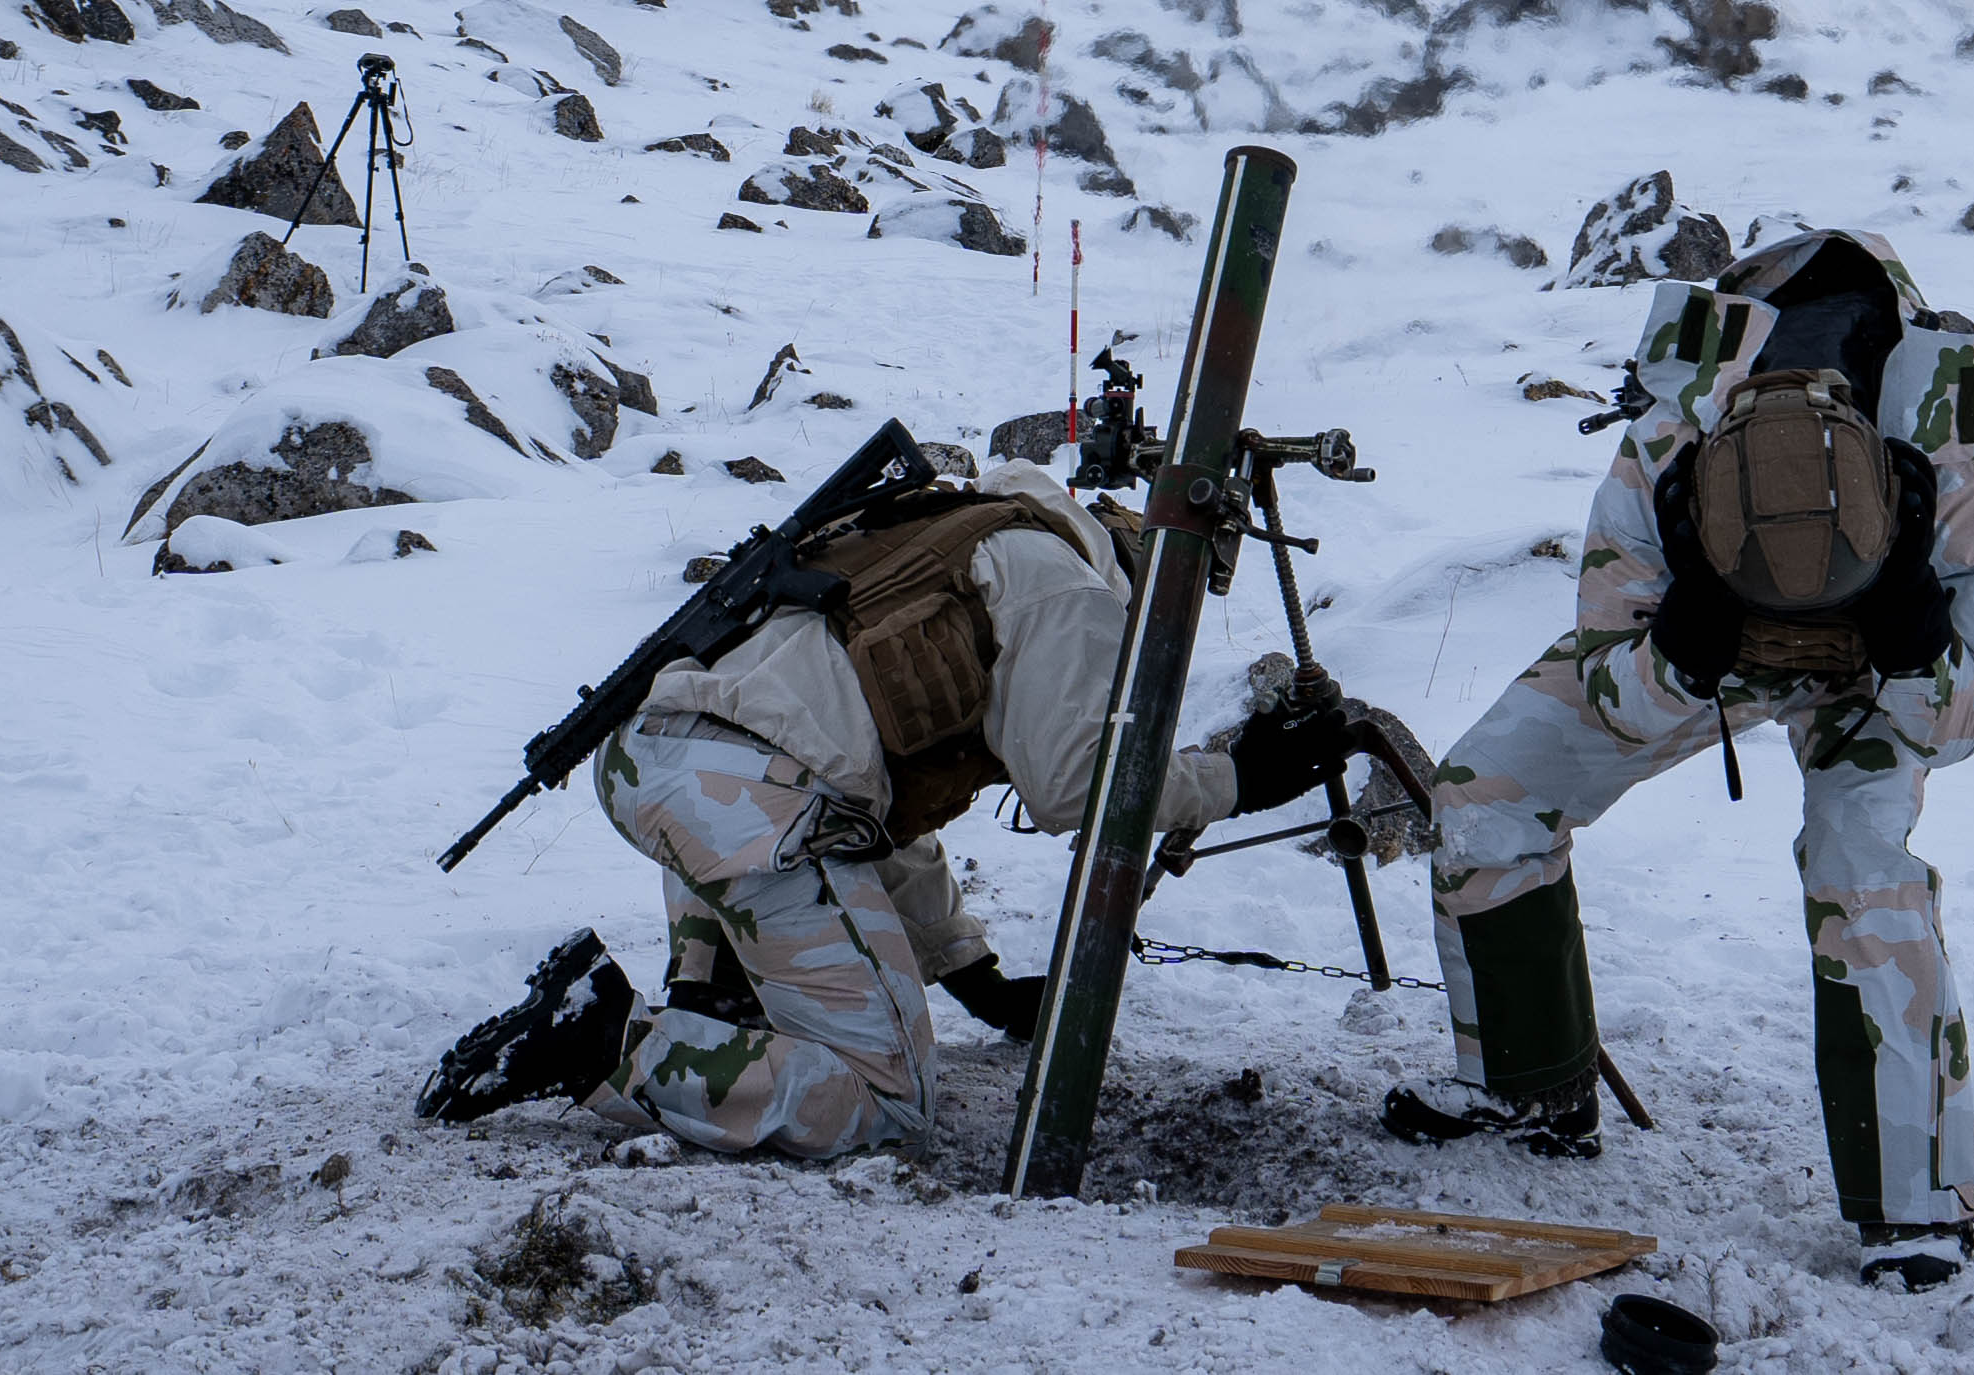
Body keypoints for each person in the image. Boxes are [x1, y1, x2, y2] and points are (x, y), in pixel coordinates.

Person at [1392, 223, 1974, 1290]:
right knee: (1487, 792)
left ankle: (1917, 1205)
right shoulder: (1668, 451)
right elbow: (1609, 677)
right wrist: (1686, 645)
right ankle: (1527, 1085)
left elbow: (1970, 713)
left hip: (1870, 680)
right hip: (1700, 646)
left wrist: (1910, 634)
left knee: (1865, 870)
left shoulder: (1945, 470)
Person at [420, 455, 1359, 1157]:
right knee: (888, 1094)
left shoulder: (952, 531)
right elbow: (1078, 785)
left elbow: (881, 783)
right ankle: (600, 1046)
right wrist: (1242, 779)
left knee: (810, 837)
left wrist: (973, 975)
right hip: (750, 801)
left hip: (664, 763)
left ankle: (711, 998)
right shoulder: (1076, 592)